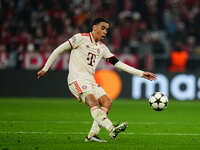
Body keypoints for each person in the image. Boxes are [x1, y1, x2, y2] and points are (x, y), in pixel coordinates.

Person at [37, 17, 157, 142]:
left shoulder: (102, 48)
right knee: (93, 102)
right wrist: (45, 68)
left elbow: (119, 64)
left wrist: (141, 73)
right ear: (94, 27)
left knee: (107, 102)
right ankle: (111, 128)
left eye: (107, 30)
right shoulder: (80, 38)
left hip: (90, 81)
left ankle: (92, 135)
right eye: (103, 28)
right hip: (76, 79)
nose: (105, 32)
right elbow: (58, 50)